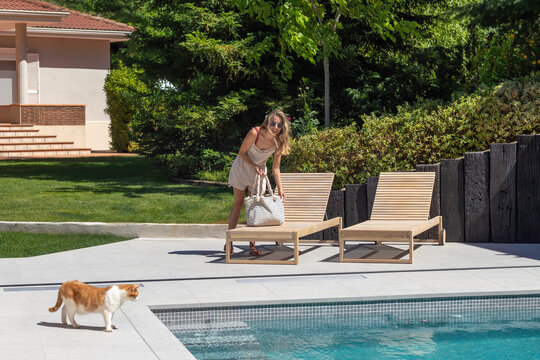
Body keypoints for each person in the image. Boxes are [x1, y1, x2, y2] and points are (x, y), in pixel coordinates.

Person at [227, 109, 291, 256]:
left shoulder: (278, 141)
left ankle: (252, 246)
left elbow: (276, 167)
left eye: (279, 125)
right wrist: (254, 165)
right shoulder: (254, 133)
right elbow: (241, 153)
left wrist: (280, 188)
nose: (275, 127)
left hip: (259, 173)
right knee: (238, 204)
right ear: (267, 122)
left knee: (254, 207)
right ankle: (229, 243)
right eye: (273, 123)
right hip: (242, 167)